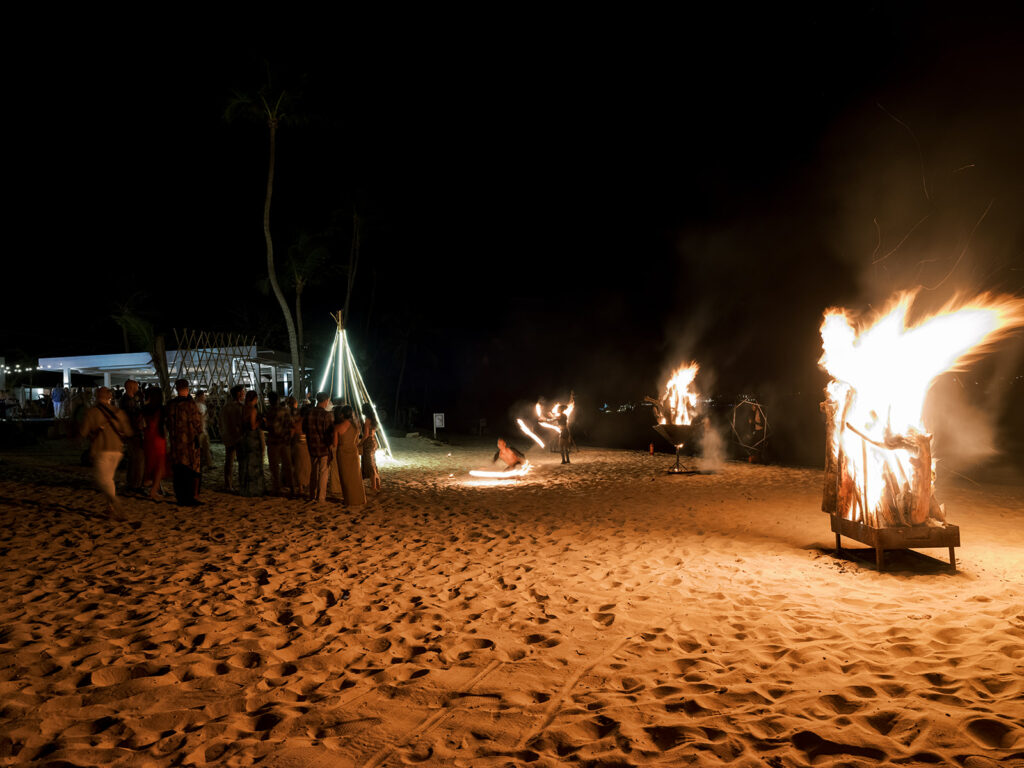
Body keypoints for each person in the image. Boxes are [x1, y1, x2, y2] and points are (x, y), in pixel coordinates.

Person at [80, 386, 132, 514]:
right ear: (110, 397)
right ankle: (110, 506)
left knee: (102, 480)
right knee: (109, 479)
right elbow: (128, 432)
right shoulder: (118, 412)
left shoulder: (92, 412)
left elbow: (83, 432)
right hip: (117, 449)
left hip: (102, 449)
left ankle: (115, 502)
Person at [166, 379, 203, 506]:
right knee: (188, 470)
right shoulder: (190, 405)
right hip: (189, 443)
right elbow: (197, 424)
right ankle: (189, 497)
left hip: (176, 443)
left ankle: (180, 497)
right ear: (187, 389)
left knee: (178, 472)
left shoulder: (171, 405)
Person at [303, 392, 334, 502]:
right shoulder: (326, 415)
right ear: (325, 401)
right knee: (323, 472)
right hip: (323, 447)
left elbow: (304, 429)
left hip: (312, 446)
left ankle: (312, 494)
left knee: (314, 471)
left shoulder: (308, 413)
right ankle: (321, 497)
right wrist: (330, 446)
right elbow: (329, 433)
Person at [333, 404, 366, 507]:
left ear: (342, 414)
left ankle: (349, 499)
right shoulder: (356, 426)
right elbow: (357, 440)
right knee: (356, 476)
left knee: (345, 477)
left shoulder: (338, 427)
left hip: (342, 453)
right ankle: (359, 498)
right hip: (353, 451)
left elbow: (335, 443)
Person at [141, 386, 168, 500]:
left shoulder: (145, 408)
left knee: (150, 462)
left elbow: (139, 423)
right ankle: (154, 490)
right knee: (160, 465)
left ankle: (153, 486)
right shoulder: (161, 409)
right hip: (159, 438)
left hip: (148, 437)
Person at [265, 391, 294, 496]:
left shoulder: (269, 412)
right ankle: (291, 486)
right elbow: (291, 424)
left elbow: (268, 426)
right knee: (287, 465)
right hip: (284, 441)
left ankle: (277, 487)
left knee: (274, 466)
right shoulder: (285, 411)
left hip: (273, 441)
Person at [120, 379, 145, 493]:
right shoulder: (128, 401)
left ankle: (131, 482)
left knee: (133, 459)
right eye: (136, 387)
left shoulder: (126, 400)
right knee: (137, 460)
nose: (138, 388)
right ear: (131, 388)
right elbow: (135, 416)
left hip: (130, 433)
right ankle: (135, 484)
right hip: (133, 433)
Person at [238, 390, 265, 496]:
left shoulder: (243, 409)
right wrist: (260, 421)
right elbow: (253, 426)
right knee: (253, 464)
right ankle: (253, 489)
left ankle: (244, 488)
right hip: (252, 438)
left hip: (244, 437)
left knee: (245, 463)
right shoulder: (253, 410)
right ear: (254, 399)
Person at [219, 384, 245, 492]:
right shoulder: (240, 407)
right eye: (242, 392)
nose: (243, 393)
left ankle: (228, 484)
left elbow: (221, 423)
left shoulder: (226, 407)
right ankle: (241, 483)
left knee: (229, 462)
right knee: (241, 462)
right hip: (238, 437)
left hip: (229, 437)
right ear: (238, 394)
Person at [289, 396, 311, 498]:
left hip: (297, 446)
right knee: (306, 466)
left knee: (298, 467)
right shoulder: (308, 424)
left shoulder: (296, 424)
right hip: (306, 447)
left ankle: (300, 487)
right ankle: (305, 486)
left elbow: (291, 435)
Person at [360, 401, 381, 491]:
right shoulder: (373, 419)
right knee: (373, 463)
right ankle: (377, 483)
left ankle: (374, 486)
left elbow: (366, 435)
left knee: (370, 464)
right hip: (374, 442)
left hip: (368, 443)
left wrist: (359, 443)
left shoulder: (367, 420)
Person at [195, 390, 213, 470]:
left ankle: (209, 463)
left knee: (206, 447)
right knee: (200, 447)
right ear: (199, 396)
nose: (204, 397)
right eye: (203, 396)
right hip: (201, 429)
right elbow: (200, 417)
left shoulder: (202, 405)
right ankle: (200, 464)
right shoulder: (199, 405)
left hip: (203, 429)